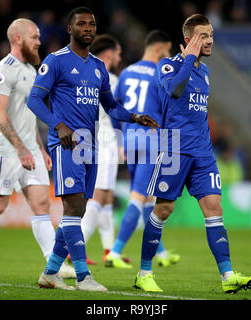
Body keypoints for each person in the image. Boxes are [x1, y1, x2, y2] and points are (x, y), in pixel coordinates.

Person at [26, 7, 159, 292]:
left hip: (91, 146)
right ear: (69, 29)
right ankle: (84, 276)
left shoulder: (98, 66)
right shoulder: (56, 61)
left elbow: (110, 106)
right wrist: (57, 124)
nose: (88, 28)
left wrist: (135, 116)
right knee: (73, 206)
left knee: (79, 210)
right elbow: (35, 100)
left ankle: (50, 273)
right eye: (81, 24)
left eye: (92, 24)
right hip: (65, 145)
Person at [133, 13, 251, 294]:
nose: (211, 40)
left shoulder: (205, 71)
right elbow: (176, 91)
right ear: (188, 40)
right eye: (204, 36)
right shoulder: (167, 66)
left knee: (215, 209)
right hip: (174, 149)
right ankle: (144, 272)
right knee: (163, 209)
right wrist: (188, 58)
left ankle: (228, 276)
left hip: (202, 152)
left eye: (212, 34)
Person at [0, 18, 76, 281]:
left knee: (41, 204)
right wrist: (20, 149)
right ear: (18, 39)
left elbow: (28, 117)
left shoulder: (33, 70)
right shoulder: (3, 70)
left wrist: (39, 148)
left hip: (30, 148)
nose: (39, 41)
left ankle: (53, 265)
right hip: (7, 150)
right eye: (34, 37)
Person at [105, 30, 180, 269]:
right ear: (159, 49)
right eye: (167, 51)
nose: (168, 56)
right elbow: (170, 112)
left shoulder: (126, 72)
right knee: (138, 198)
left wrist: (120, 139)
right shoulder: (160, 75)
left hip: (130, 140)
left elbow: (114, 109)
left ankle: (162, 253)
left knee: (148, 198)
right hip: (152, 142)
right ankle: (115, 252)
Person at [79, 34, 123, 264]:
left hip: (90, 138)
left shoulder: (86, 73)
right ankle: (74, 249)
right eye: (117, 53)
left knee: (106, 199)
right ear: (108, 54)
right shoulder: (111, 79)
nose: (119, 57)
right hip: (105, 140)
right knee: (100, 196)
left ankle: (109, 251)